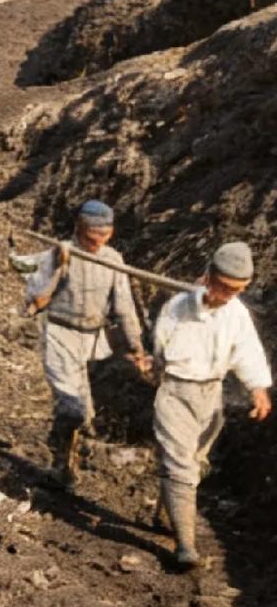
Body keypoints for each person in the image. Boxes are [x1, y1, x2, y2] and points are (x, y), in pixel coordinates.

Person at [152, 240, 271, 569]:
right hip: (176, 391)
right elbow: (160, 346)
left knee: (193, 463)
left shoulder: (237, 314)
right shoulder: (178, 307)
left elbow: (248, 352)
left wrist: (258, 388)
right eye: (224, 287)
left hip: (211, 396)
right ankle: (185, 545)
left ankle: (165, 512)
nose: (229, 295)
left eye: (237, 290)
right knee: (180, 464)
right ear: (208, 277)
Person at [22, 199, 149, 490]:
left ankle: (73, 457)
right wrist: (57, 268)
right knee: (71, 406)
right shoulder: (58, 254)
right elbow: (35, 299)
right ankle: (59, 466)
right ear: (79, 228)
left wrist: (136, 346)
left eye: (104, 236)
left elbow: (124, 307)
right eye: (92, 237)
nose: (98, 243)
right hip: (61, 334)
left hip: (93, 339)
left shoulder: (113, 259)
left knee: (87, 413)